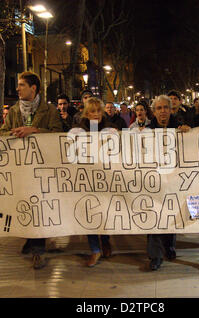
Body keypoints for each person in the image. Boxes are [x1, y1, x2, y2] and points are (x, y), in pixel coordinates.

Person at [0, 71, 62, 270]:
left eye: (21, 85)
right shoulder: (15, 111)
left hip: (42, 169)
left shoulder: (50, 110)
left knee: (39, 208)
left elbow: (58, 134)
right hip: (21, 169)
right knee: (24, 206)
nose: (17, 88)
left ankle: (38, 250)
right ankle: (30, 238)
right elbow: (1, 132)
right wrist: (13, 133)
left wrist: (34, 131)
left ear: (33, 88)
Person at [146, 95, 190, 271]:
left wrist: (189, 133)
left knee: (171, 212)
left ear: (171, 110)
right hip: (154, 180)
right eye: (159, 108)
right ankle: (155, 255)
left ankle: (170, 246)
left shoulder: (180, 128)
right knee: (154, 215)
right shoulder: (147, 130)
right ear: (154, 111)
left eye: (166, 107)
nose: (163, 111)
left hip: (175, 179)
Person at [72, 97, 118, 267]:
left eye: (99, 111)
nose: (96, 114)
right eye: (92, 111)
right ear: (86, 113)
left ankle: (105, 241)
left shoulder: (111, 128)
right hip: (86, 178)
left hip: (105, 178)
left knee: (104, 211)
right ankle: (94, 249)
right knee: (89, 212)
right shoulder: (77, 130)